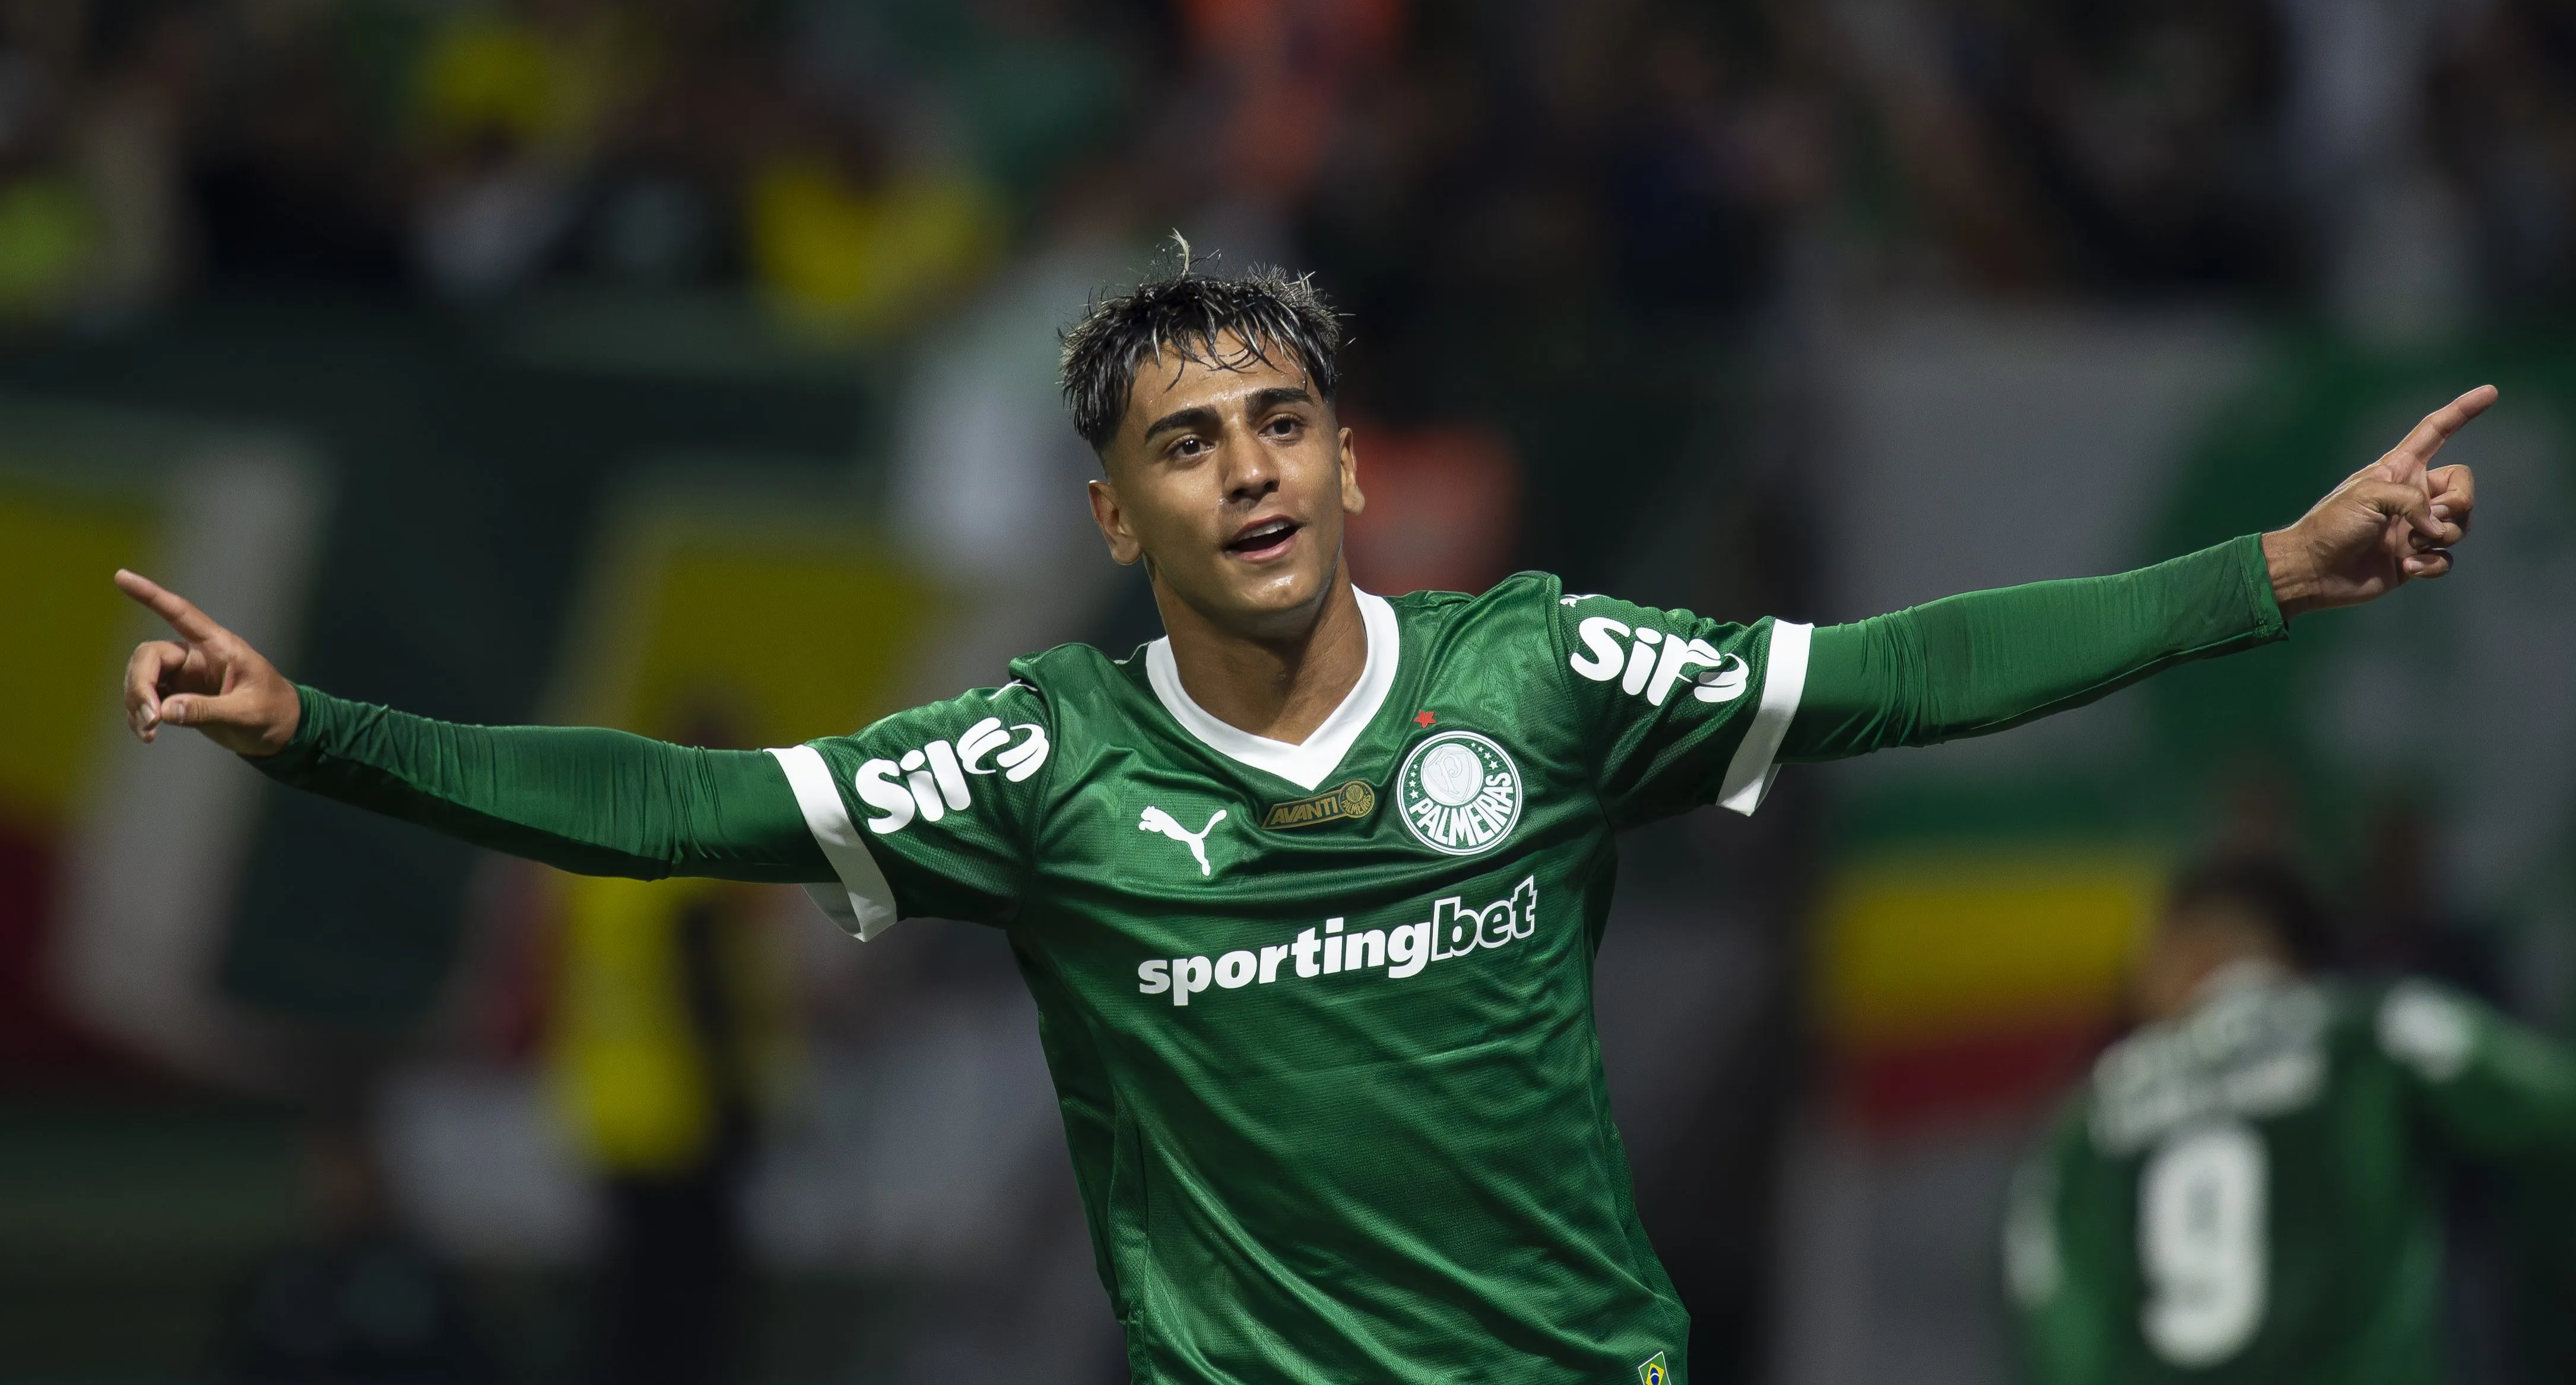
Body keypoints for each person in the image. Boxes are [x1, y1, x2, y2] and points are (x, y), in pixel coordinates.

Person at [115, 265, 2489, 1383]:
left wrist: (2260, 572)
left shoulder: (1539, 673)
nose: (1244, 464)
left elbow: (1895, 675)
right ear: (1115, 508)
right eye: (1185, 440)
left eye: (1278, 421)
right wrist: (322, 727)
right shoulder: (1043, 761)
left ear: (1347, 466)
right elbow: (677, 807)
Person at [2002, 854, 2576, 1385]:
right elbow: (2553, 1113)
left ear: (2188, 947)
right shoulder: (2377, 1032)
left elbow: (2057, 1344)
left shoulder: (2079, 1127)